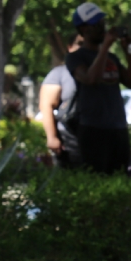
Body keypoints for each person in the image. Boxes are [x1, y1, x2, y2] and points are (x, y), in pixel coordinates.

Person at [64, 2, 131, 174]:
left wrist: (128, 52)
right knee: (97, 177)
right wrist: (105, 46)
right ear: (83, 30)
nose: (102, 27)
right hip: (93, 129)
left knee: (121, 177)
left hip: (117, 127)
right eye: (95, 24)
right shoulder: (76, 58)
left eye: (102, 23)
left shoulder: (112, 57)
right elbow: (91, 79)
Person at [39, 35, 82, 168]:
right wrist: (52, 137)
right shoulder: (60, 73)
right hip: (69, 140)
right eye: (80, 44)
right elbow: (46, 105)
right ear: (70, 47)